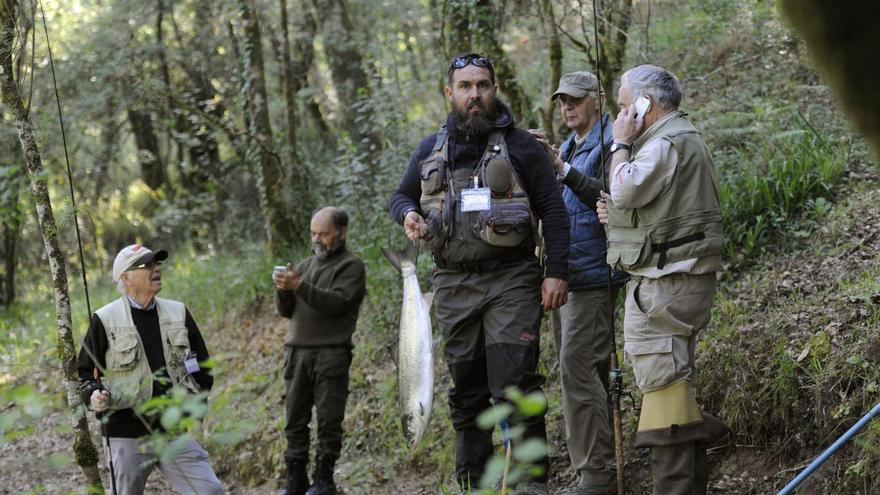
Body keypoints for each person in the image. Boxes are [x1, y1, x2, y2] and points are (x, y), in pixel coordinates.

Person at [389, 53, 570, 495]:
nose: (475, 95)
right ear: (449, 92)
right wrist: (409, 214)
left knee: (515, 381)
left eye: (483, 85)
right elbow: (398, 196)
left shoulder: (523, 146)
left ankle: (529, 484)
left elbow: (553, 210)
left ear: (494, 88)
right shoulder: (430, 149)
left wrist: (557, 272)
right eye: (465, 86)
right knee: (467, 390)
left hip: (512, 279)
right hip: (452, 284)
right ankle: (474, 485)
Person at [596, 64, 729, 494]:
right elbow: (657, 209)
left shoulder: (662, 142)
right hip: (680, 283)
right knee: (671, 391)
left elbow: (626, 189)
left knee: (662, 406)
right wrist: (616, 216)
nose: (620, 115)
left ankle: (681, 464)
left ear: (643, 105)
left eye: (623, 106)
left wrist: (619, 142)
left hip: (665, 288)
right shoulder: (681, 138)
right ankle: (694, 429)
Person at [530, 71, 626, 495]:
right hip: (566, 275)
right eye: (562, 101)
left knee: (576, 368)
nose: (567, 107)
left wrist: (562, 168)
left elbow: (611, 198)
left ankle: (595, 476)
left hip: (594, 277)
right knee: (586, 372)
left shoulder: (612, 143)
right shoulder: (570, 145)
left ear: (597, 99)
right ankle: (597, 467)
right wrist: (544, 160)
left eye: (575, 99)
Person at [76, 244, 223, 495]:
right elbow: (85, 373)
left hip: (173, 430)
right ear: (125, 277)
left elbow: (200, 363)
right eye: (146, 265)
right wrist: (93, 395)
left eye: (157, 263)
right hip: (126, 434)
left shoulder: (178, 312)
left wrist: (197, 401)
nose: (156, 269)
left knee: (210, 491)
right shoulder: (105, 319)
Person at [272, 207, 366, 495]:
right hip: (297, 353)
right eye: (313, 233)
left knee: (328, 420)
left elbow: (336, 303)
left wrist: (298, 285)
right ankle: (295, 479)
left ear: (341, 232)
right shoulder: (304, 265)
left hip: (331, 353)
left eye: (323, 234)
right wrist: (283, 289)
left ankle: (324, 481)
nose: (317, 239)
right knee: (294, 421)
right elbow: (286, 312)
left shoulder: (352, 266)